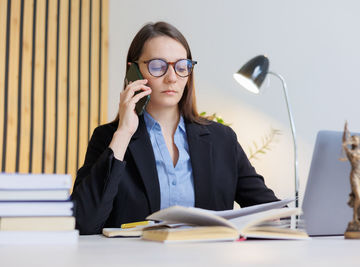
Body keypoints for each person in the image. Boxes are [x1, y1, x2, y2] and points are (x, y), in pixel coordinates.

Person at [71, 21, 279, 235]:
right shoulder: (109, 139)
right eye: (158, 66)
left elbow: (269, 210)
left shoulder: (221, 139)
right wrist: (124, 133)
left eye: (181, 67)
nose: (172, 78)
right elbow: (84, 223)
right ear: (133, 71)